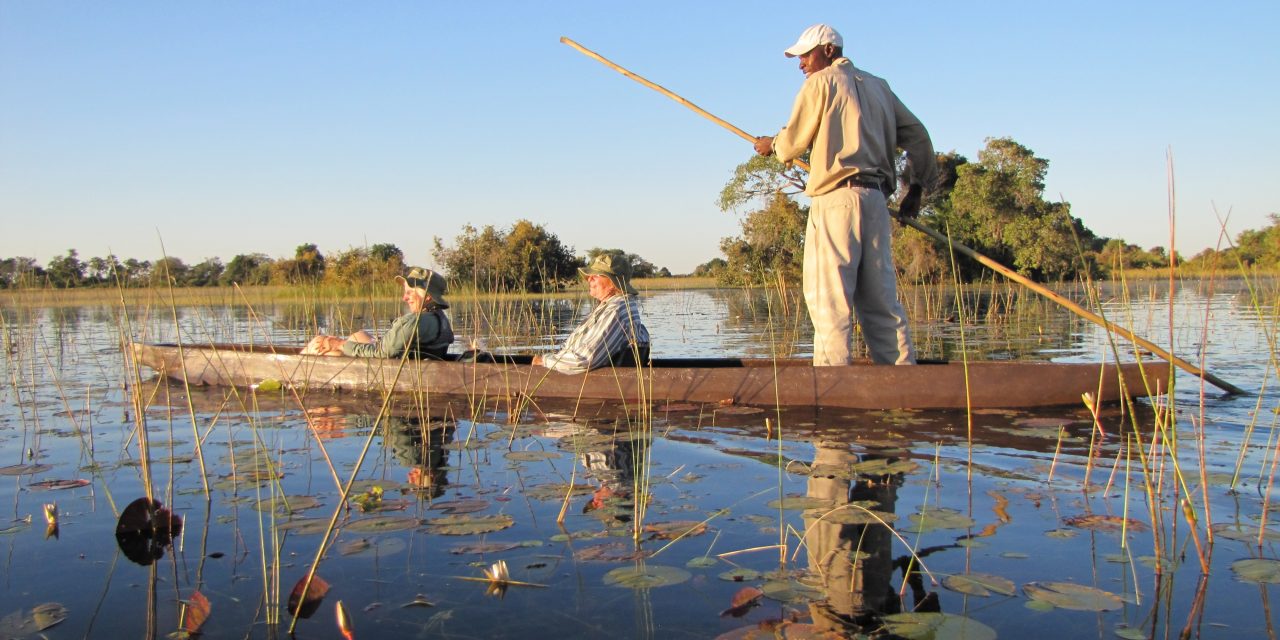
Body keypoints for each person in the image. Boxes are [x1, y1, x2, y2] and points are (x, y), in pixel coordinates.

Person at [753, 24, 938, 366]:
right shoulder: (880, 87)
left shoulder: (820, 84)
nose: (801, 64)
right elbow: (920, 137)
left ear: (828, 50)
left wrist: (772, 145)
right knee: (881, 303)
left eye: (805, 55)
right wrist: (915, 189)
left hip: (836, 201)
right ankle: (903, 380)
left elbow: (791, 143)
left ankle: (832, 388)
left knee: (830, 302)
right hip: (875, 203)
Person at [531, 254, 650, 374]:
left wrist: (545, 361)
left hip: (589, 385)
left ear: (613, 282)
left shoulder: (616, 310)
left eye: (595, 276)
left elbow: (585, 359)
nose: (588, 279)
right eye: (589, 276)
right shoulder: (613, 306)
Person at [303, 267, 454, 359]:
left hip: (389, 364)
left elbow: (382, 354)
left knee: (321, 342)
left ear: (427, 296)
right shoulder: (440, 318)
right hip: (404, 357)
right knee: (358, 335)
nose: (404, 298)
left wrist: (340, 344)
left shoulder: (413, 322)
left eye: (409, 293)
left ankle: (295, 367)